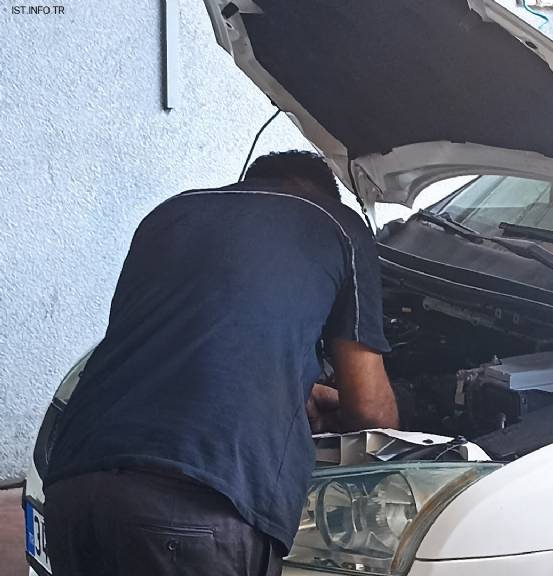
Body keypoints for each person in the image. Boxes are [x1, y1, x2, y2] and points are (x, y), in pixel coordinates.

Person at [43, 150, 398, 576]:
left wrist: (291, 393)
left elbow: (185, 344)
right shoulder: (339, 225)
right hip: (196, 502)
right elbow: (370, 412)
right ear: (324, 196)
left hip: (73, 483)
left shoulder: (171, 212)